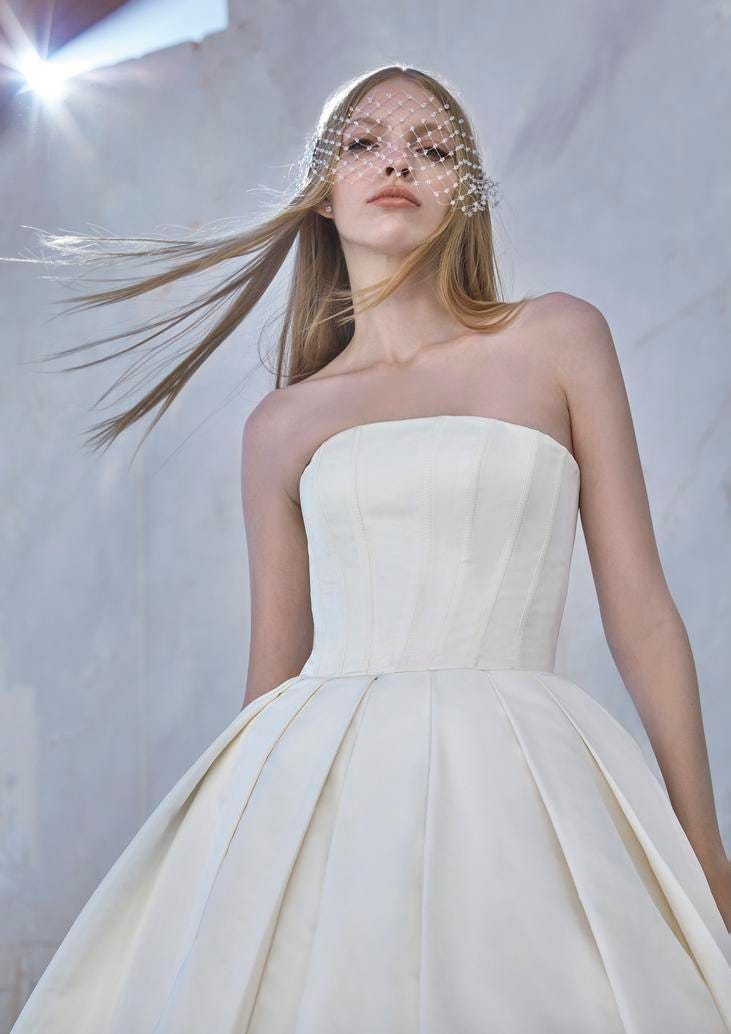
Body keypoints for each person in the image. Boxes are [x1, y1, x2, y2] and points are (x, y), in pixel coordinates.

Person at [8, 63, 731, 1033]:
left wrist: (703, 849)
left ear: (464, 193)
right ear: (323, 192)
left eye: (431, 147)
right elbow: (271, 679)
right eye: (362, 142)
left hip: (528, 785)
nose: (396, 157)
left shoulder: (556, 340)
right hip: (332, 798)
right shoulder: (282, 423)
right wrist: (222, 899)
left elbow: (640, 611)